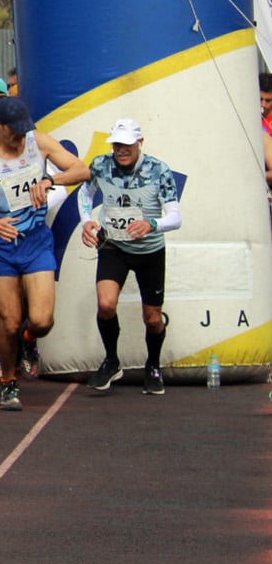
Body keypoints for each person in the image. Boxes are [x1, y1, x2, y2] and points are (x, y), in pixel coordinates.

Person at [0, 96, 89, 412]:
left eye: (22, 130)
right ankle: (8, 380)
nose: (19, 137)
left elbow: (81, 169)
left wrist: (50, 179)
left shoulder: (38, 143)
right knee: (9, 322)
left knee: (42, 320)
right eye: (13, 131)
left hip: (35, 241)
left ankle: (30, 340)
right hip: (0, 245)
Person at [82, 118, 179, 395]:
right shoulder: (100, 165)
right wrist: (87, 220)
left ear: (140, 142)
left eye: (126, 145)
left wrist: (152, 223)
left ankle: (153, 365)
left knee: (152, 318)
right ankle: (112, 361)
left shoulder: (158, 170)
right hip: (115, 246)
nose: (121, 150)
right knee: (106, 304)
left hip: (149, 250)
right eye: (116, 145)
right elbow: (85, 195)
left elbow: (176, 216)